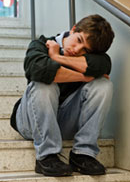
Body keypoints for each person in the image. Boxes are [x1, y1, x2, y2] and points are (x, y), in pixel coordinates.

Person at [10, 14, 114, 177]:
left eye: (86, 50)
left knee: (103, 85)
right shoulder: (41, 44)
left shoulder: (95, 58)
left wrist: (57, 57)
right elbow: (40, 70)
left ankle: (83, 154)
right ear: (73, 29)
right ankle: (46, 155)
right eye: (79, 40)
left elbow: (104, 64)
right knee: (45, 82)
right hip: (30, 122)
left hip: (64, 122)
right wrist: (83, 76)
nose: (77, 50)